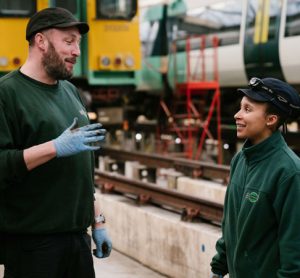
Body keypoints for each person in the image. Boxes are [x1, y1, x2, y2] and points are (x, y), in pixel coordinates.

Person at [0, 7, 112, 278]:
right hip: (32, 247)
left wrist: (97, 220)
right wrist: (54, 147)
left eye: (78, 44)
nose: (77, 52)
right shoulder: (7, 93)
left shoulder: (71, 91)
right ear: (41, 41)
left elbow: (82, 167)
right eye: (69, 41)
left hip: (77, 241)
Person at [210, 77, 300, 277]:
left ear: (271, 119)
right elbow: (230, 224)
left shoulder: (289, 172)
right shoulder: (240, 160)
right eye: (240, 108)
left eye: (247, 110)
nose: (237, 115)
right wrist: (219, 267)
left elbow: (294, 246)